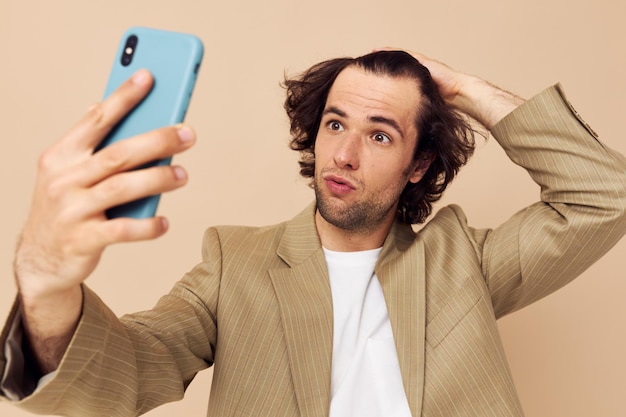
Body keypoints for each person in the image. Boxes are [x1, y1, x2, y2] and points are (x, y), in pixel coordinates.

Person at [0, 49, 624, 417]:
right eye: (334, 124)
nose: (345, 154)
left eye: (380, 134)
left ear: (419, 165)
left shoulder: (463, 262)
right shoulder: (233, 262)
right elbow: (128, 371)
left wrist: (466, 90)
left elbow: (605, 195)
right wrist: (45, 284)